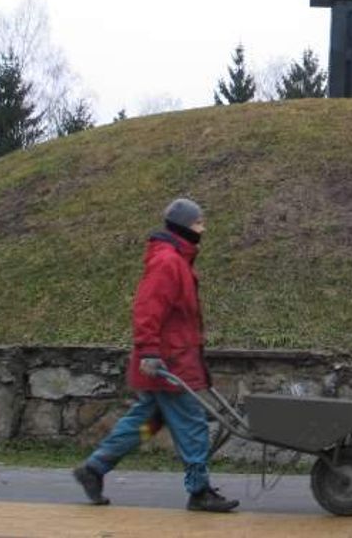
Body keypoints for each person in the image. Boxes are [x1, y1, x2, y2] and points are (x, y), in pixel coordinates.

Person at [73, 198, 238, 512]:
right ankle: (199, 490)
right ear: (183, 227)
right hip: (167, 364)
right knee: (193, 426)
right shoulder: (168, 262)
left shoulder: (176, 259)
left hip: (170, 361)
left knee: (146, 423)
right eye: (199, 223)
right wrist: (149, 351)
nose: (204, 229)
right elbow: (147, 309)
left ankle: (94, 468)